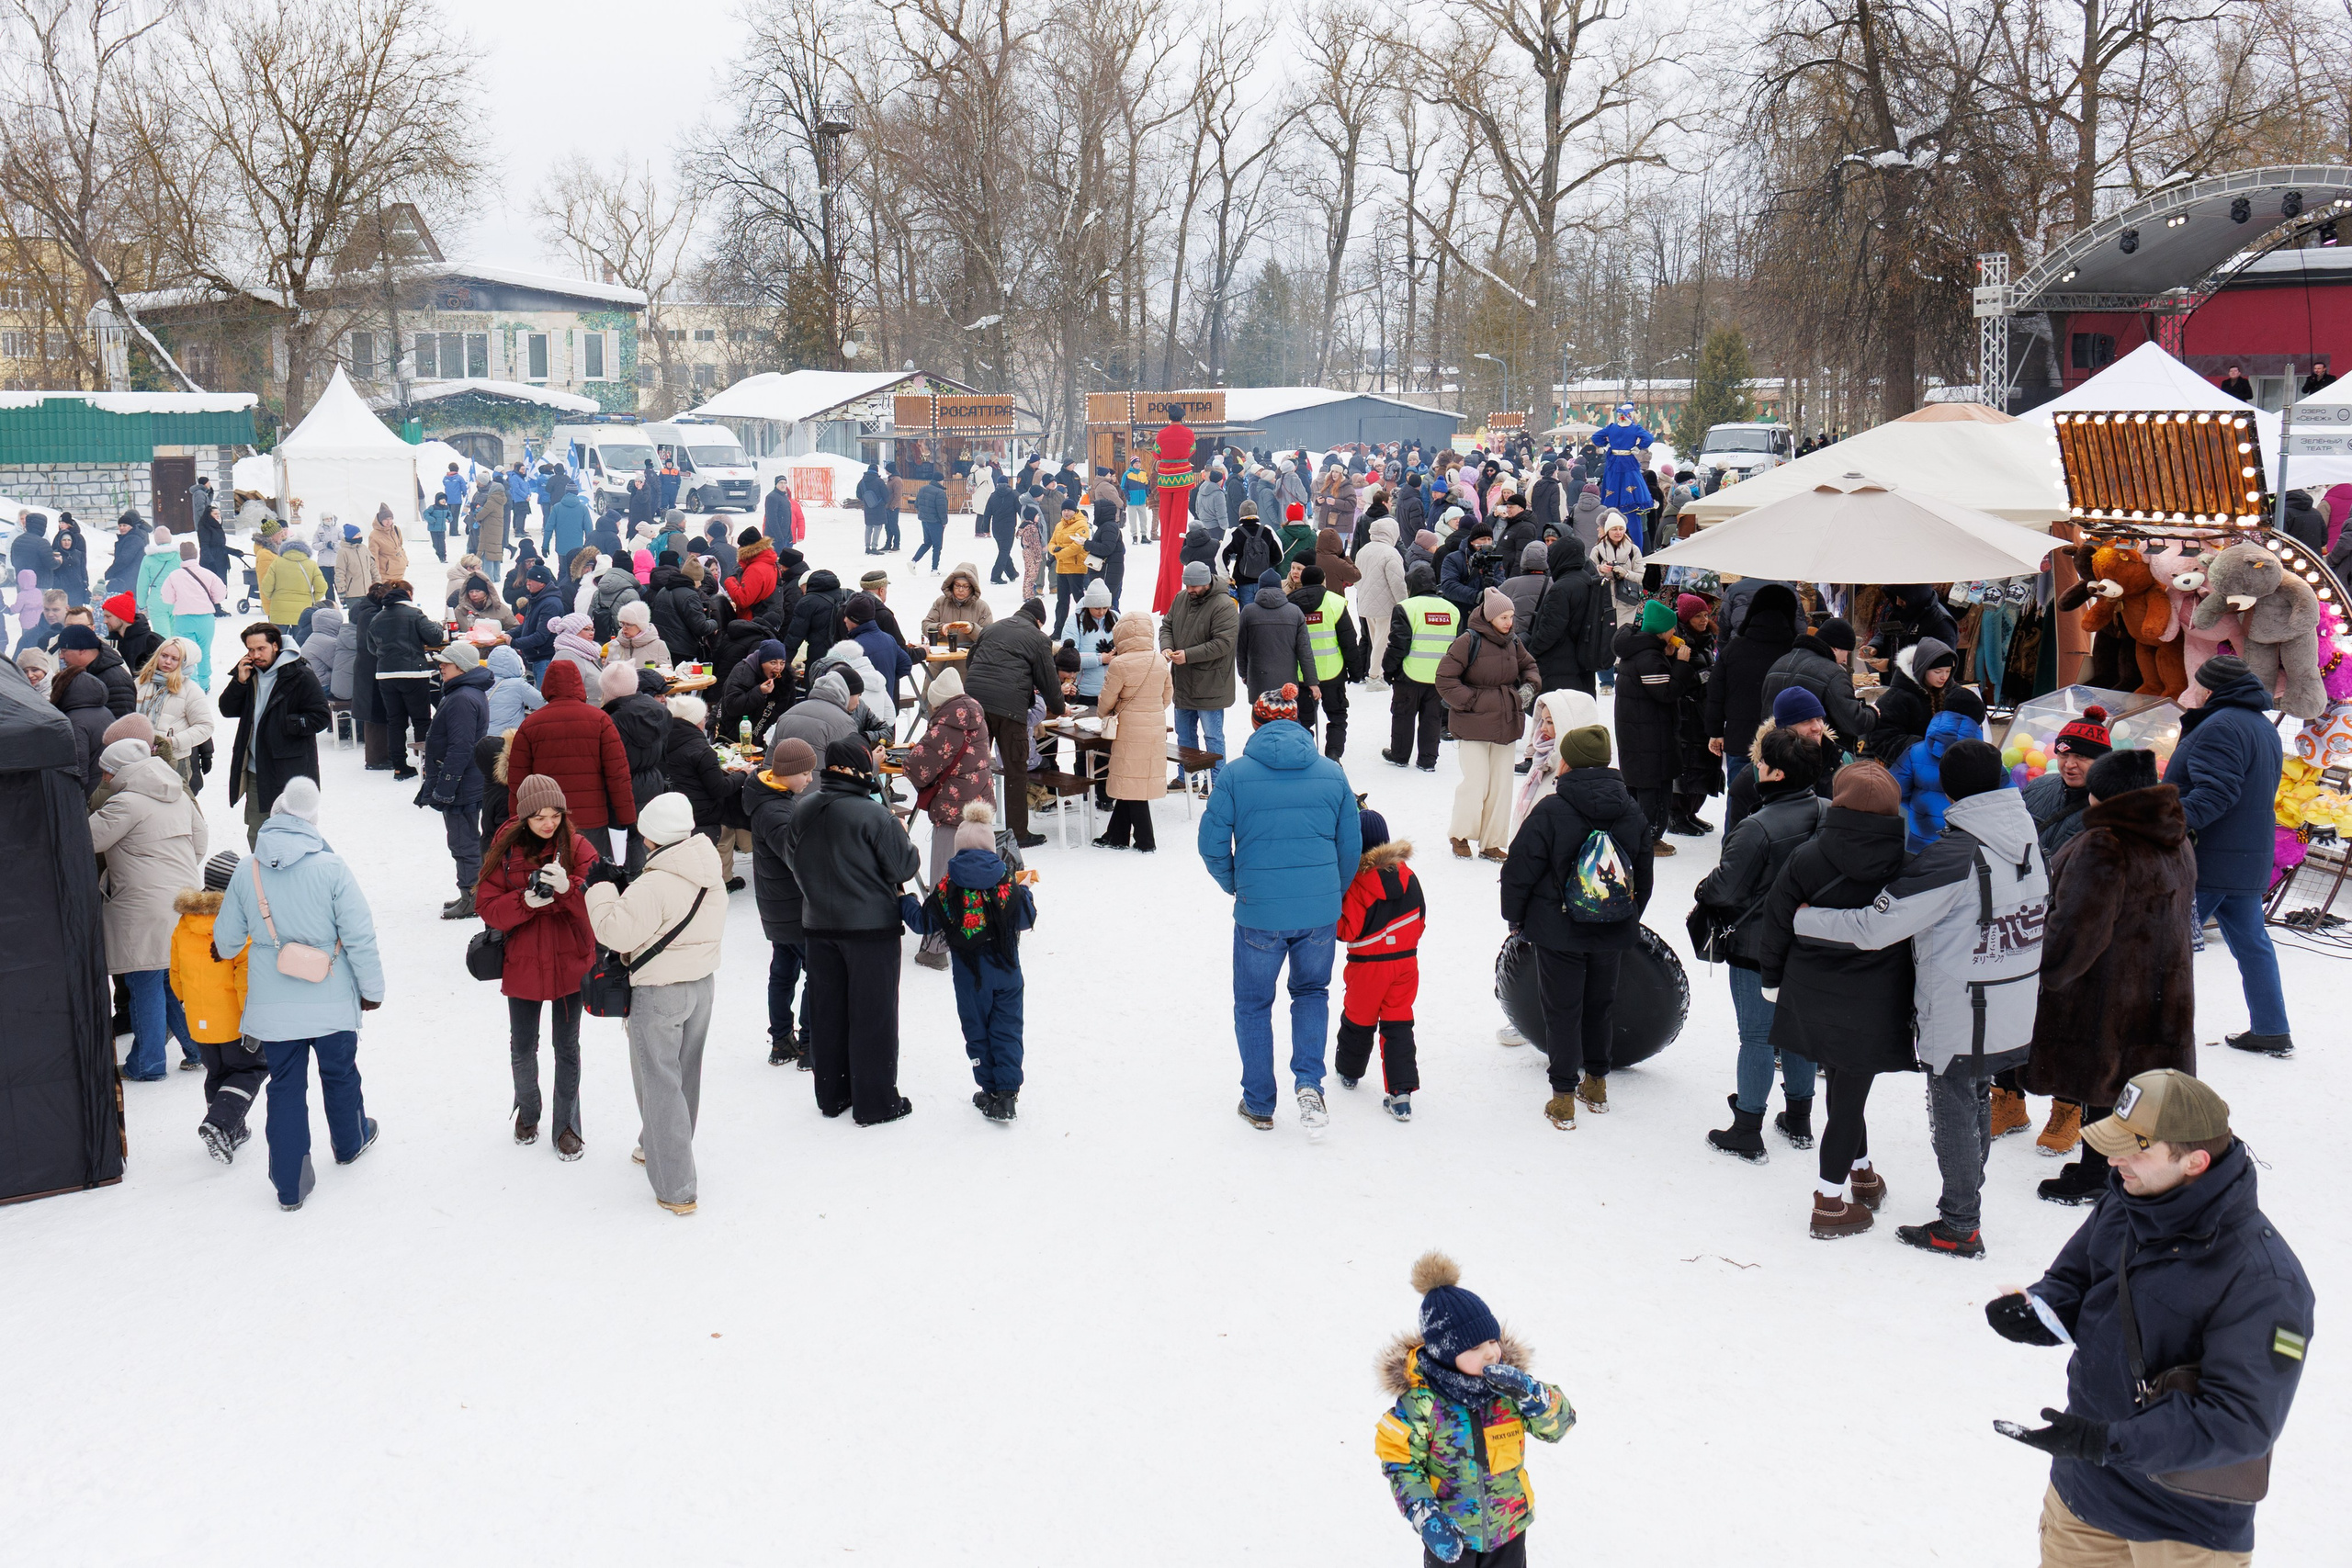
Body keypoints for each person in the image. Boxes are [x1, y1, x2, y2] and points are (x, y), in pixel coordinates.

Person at [1988, 1072, 2311, 1566]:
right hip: (2086, 1495)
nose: (2114, 1163)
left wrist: (2104, 1441)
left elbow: (2240, 1423)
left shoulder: (2266, 1281)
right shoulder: (2129, 1196)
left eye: (2135, 1150)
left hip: (2185, 1528)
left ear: (2194, 1162)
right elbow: (2077, 1279)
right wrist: (2040, 1311)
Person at [1792, 739, 2045, 1258]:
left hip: (1964, 1004)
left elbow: (1874, 926)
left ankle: (1959, 1225)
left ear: (1946, 786)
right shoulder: (2022, 832)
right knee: (1973, 1094)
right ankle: (1966, 1205)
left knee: (1953, 1103)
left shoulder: (1954, 854)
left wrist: (1803, 918)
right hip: (2013, 994)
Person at [210, 776, 382, 1210]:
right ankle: (350, 1142)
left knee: (285, 1087)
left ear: (276, 815)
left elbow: (228, 941)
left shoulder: (248, 871)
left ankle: (290, 1185)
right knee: (340, 1073)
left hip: (273, 1007)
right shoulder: (332, 868)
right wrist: (372, 990)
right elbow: (360, 936)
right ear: (312, 822)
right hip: (330, 999)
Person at [1757, 761, 1912, 1238]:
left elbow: (1777, 919)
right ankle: (1828, 1202)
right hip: (1875, 998)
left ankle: (1862, 1174)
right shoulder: (1907, 863)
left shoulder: (1807, 857)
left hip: (1811, 991)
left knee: (1845, 1087)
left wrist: (1771, 979)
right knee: (1849, 1095)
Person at [1199, 683, 1361, 1134]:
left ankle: (1259, 1102)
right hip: (1318, 915)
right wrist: (1331, 893)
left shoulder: (1234, 775)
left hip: (1259, 914)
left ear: (1255, 722)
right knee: (1312, 994)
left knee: (1252, 1005)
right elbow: (1350, 848)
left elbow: (1211, 845)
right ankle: (1310, 1084)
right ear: (1299, 722)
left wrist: (1238, 885)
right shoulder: (1332, 773)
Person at [1374, 1251, 1573, 1567]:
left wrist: (1533, 1396)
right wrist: (1425, 1515)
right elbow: (1400, 1463)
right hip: (1451, 1536)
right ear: (1446, 1354)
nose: (1492, 1353)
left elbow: (1560, 1425)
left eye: (1492, 1341)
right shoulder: (1422, 1403)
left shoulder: (1510, 1389)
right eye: (1475, 1348)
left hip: (1509, 1528)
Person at [1503, 722, 1654, 1128]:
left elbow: (1520, 869)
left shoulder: (1551, 809)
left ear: (1567, 761)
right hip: (1611, 929)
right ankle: (1597, 1085)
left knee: (1562, 1011)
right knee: (1600, 1006)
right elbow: (1643, 873)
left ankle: (1563, 1098)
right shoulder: (1631, 809)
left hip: (1559, 930)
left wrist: (1515, 917)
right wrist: (1626, 917)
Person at [583, 791, 725, 1215]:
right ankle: (656, 1145)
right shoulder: (707, 867)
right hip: (701, 984)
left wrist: (601, 889)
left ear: (651, 837)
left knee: (659, 1083)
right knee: (684, 1075)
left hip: (660, 993)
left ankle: (676, 1186)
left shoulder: (657, 882)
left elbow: (614, 931)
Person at [1695, 725, 1827, 1162]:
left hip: (1757, 948)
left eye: (1761, 762)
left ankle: (1747, 1128)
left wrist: (1702, 889)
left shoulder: (1758, 827)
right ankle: (1799, 1118)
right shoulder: (1828, 813)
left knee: (1756, 1035)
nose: (1756, 767)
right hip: (1810, 944)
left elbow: (1725, 889)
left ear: (1775, 775)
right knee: (1799, 1033)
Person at [784, 739, 922, 1125]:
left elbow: (791, 858)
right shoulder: (874, 815)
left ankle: (832, 1095)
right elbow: (904, 867)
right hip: (870, 929)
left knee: (828, 1013)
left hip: (818, 925)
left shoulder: (804, 809)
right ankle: (876, 1103)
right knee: (873, 1017)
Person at [2162, 655, 2292, 1056]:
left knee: (2164, 947)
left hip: (2209, 860)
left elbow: (2217, 792)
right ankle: (2271, 1028)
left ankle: (2153, 1033)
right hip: (2247, 859)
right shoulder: (2260, 726)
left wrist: (2166, 823)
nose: (2192, 690)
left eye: (2195, 683)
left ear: (2210, 689)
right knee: (2253, 944)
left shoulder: (2221, 725)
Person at [475, 774, 602, 1159]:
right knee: (523, 1046)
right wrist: (526, 902)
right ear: (524, 816)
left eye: (555, 814)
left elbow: (603, 905)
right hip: (524, 965)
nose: (549, 823)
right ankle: (528, 1112)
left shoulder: (578, 847)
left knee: (566, 1048)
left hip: (569, 963)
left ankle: (566, 1126)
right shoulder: (506, 849)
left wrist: (569, 889)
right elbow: (486, 905)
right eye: (539, 816)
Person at [899, 799, 1037, 1121]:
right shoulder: (1006, 881)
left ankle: (988, 1088)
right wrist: (1026, 890)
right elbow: (1026, 918)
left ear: (958, 850)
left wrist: (903, 900)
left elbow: (923, 923)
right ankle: (1006, 1094)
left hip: (969, 977)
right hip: (1007, 973)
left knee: (977, 1030)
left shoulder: (948, 888)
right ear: (991, 849)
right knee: (1007, 1028)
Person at [90, 739, 209, 1080]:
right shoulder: (179, 796)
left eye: (106, 771)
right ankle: (199, 1048)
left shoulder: (125, 804)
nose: (104, 778)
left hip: (142, 904)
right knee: (167, 981)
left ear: (120, 771)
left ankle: (149, 1063)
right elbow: (200, 842)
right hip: (184, 899)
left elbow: (86, 839)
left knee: (143, 979)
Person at [1331, 808, 1423, 1121]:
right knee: (1399, 1024)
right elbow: (1420, 918)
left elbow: (1347, 930)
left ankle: (1349, 1071)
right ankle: (1401, 1095)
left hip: (1367, 966)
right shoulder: (1409, 876)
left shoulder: (1359, 883)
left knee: (1358, 1020)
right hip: (1406, 965)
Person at [1435, 588, 1538, 862]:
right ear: (1489, 617)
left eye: (1511, 616)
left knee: (1501, 786)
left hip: (1506, 722)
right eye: (1503, 617)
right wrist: (1471, 701)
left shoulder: (1514, 642)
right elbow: (1445, 679)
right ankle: (1460, 835)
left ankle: (1492, 842)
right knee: (1476, 782)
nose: (1508, 622)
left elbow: (1531, 668)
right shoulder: (1468, 641)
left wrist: (1526, 690)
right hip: (1473, 725)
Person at [505, 660, 638, 864]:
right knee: (593, 882)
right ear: (579, 685)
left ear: (546, 686)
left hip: (547, 823)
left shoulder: (530, 725)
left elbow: (518, 783)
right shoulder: (600, 720)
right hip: (593, 821)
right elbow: (618, 776)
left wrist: (517, 823)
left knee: (552, 882)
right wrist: (628, 819)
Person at [173, 849, 259, 1158]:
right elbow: (245, 975)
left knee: (217, 1074)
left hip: (198, 1019)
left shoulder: (185, 923)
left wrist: (186, 1001)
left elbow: (176, 971)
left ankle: (231, 1130)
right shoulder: (238, 923)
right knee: (253, 1068)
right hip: (233, 1020)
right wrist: (253, 1017)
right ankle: (220, 1123)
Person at [219, 623, 331, 849]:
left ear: (276, 645)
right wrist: (239, 682)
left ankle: (295, 879)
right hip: (255, 769)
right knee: (258, 832)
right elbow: (227, 710)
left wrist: (286, 723)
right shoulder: (248, 673)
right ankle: (262, 879)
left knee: (295, 831)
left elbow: (321, 717)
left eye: (261, 649)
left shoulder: (300, 675)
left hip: (289, 770)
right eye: (251, 650)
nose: (256, 655)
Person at [743, 737, 820, 1065]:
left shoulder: (773, 797)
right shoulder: (776, 811)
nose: (810, 779)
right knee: (815, 974)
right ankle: (806, 1044)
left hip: (778, 904)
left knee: (783, 971)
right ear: (787, 772)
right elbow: (797, 857)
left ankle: (782, 1041)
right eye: (805, 773)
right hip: (791, 906)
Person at [965, 599, 1065, 848]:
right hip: (1010, 710)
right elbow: (1049, 681)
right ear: (1039, 621)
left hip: (975, 705)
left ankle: (970, 827)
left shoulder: (991, 628)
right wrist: (1060, 707)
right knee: (1015, 771)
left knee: (974, 767)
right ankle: (1018, 833)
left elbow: (970, 662)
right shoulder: (1038, 638)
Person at [1613, 599, 1699, 856]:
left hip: (1637, 732)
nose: (1675, 634)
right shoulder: (1650, 657)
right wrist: (1682, 665)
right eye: (1672, 629)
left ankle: (1640, 835)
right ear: (1662, 631)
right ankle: (1648, 838)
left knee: (1639, 786)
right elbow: (1666, 692)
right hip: (1650, 736)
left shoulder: (1637, 650)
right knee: (1653, 789)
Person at [420, 642, 492, 918]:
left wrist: (446, 786)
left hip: (462, 782)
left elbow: (461, 747)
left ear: (461, 666)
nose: (440, 667)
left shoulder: (462, 697)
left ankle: (472, 898)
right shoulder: (464, 692)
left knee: (463, 841)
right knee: (465, 839)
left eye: (445, 663)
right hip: (466, 778)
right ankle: (470, 893)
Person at [1091, 609, 1170, 851]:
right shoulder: (1159, 660)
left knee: (1132, 782)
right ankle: (1116, 835)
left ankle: (1146, 842)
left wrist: (1105, 716)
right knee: (1133, 780)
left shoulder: (1120, 663)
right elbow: (1167, 696)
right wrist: (1152, 710)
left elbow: (1106, 700)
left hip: (1129, 729)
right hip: (1155, 728)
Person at [1160, 560, 1238, 792]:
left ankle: (1217, 780)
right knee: (1184, 735)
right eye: (1187, 585)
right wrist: (1167, 646)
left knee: (1212, 736)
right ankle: (1188, 777)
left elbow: (1223, 644)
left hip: (1211, 683)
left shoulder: (1224, 605)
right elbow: (1167, 625)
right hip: (1183, 680)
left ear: (1207, 583)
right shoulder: (1181, 598)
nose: (1190, 590)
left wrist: (1188, 655)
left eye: (1194, 586)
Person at [1887, 684, 1988, 852]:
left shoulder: (1915, 752)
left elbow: (1894, 791)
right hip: (1968, 846)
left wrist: (1918, 810)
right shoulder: (1987, 757)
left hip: (1920, 842)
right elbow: (2004, 797)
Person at [1381, 564, 1457, 772]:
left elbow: (1398, 643)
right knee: (1432, 719)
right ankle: (1428, 760)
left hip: (1409, 674)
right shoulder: (1452, 610)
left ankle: (1400, 755)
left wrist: (1388, 669)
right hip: (1439, 677)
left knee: (1403, 716)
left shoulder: (1405, 607)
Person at [365, 581, 444, 781]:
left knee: (395, 721)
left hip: (386, 675)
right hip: (413, 674)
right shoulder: (415, 614)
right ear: (407, 599)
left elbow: (372, 648)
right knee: (421, 720)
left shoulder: (377, 618)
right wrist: (436, 626)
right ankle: (425, 764)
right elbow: (435, 637)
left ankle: (400, 766)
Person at [133, 636, 218, 790]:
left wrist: (172, 741)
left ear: (184, 662)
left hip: (175, 760)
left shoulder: (190, 690)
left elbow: (205, 726)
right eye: (164, 656)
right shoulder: (141, 683)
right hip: (140, 757)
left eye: (174, 659)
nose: (167, 662)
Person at [101, 590, 162, 679]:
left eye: (108, 616)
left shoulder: (151, 641)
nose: (104, 621)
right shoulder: (108, 642)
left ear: (122, 616)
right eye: (104, 616)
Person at [912, 471, 950, 573]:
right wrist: (944, 522)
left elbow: (916, 505)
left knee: (927, 543)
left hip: (924, 520)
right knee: (937, 546)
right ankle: (934, 569)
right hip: (935, 522)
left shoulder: (923, 489)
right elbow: (942, 510)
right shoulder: (940, 492)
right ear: (940, 481)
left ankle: (913, 561)